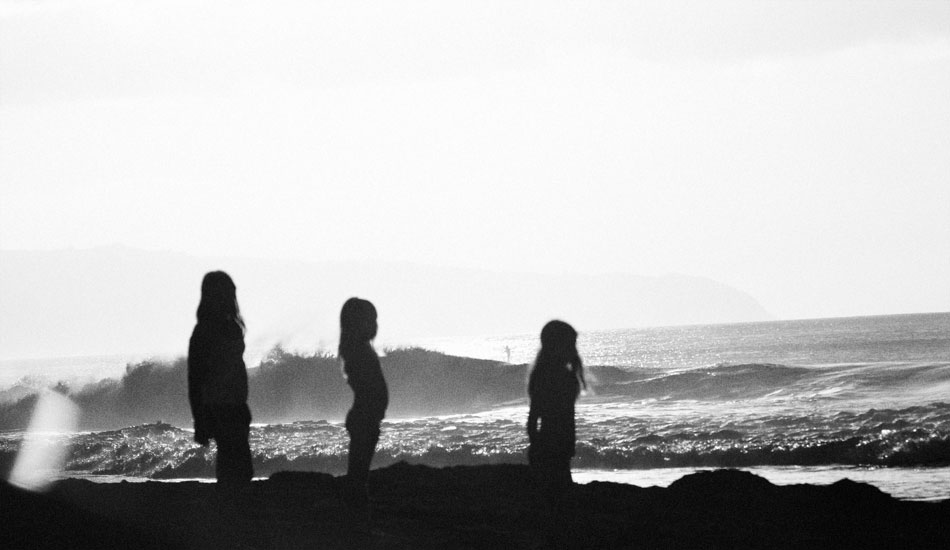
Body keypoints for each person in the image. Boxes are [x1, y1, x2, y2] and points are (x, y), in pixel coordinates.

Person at [187, 271, 253, 487]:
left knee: (239, 467)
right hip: (220, 407)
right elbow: (195, 378)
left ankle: (230, 508)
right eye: (228, 293)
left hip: (236, 405)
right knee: (234, 467)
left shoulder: (232, 327)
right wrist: (199, 419)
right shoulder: (204, 331)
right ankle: (229, 510)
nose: (233, 298)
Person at [338, 297, 389, 523]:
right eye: (370, 320)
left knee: (360, 471)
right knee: (358, 473)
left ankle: (356, 509)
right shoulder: (357, 351)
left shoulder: (360, 349)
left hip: (366, 417)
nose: (375, 325)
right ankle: (356, 514)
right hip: (363, 417)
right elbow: (367, 386)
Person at [527, 320, 586, 496]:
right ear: (557, 345)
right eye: (571, 344)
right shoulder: (554, 376)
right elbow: (538, 417)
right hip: (552, 446)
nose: (574, 349)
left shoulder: (544, 374)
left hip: (552, 445)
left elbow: (533, 419)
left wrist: (536, 443)